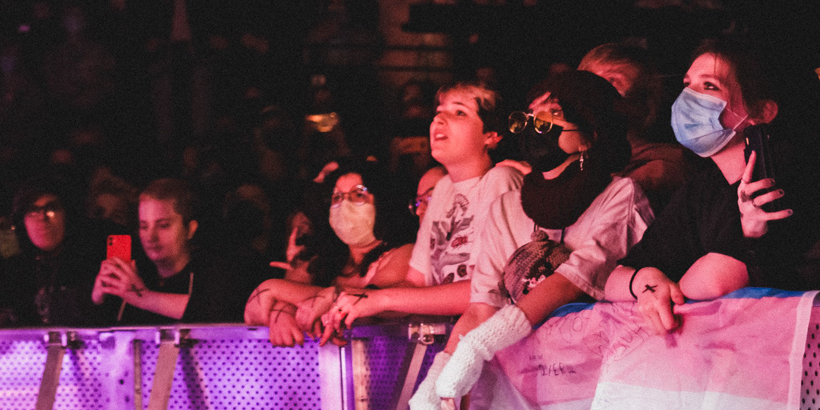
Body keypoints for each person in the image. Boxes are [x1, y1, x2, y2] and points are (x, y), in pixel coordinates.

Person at [407, 71, 650, 410]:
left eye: (553, 114)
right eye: (532, 116)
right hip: (531, 394)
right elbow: (482, 304)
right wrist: (433, 387)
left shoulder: (619, 194)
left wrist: (477, 349)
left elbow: (572, 279)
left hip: (605, 386)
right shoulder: (508, 206)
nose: (537, 126)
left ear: (589, 134)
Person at [605, 40, 820, 331]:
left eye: (709, 86)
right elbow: (613, 280)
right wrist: (647, 281)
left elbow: (717, 281)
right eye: (687, 83)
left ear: (762, 112)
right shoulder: (701, 188)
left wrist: (667, 291)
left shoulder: (786, 175)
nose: (688, 97)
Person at [319, 85, 514, 339]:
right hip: (447, 341)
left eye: (459, 113)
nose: (439, 119)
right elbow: (415, 283)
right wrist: (351, 309)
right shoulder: (443, 189)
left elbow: (487, 291)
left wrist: (381, 299)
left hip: (492, 345)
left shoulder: (500, 180)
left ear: (492, 135)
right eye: (439, 112)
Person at [245, 158, 416, 346]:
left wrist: (276, 288)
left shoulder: (402, 253)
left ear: (383, 202)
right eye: (337, 197)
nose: (344, 204)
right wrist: (283, 311)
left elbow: (369, 308)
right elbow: (254, 311)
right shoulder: (324, 258)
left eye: (358, 195)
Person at [93, 179, 255, 325]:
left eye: (163, 225)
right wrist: (97, 300)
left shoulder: (216, 270)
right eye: (144, 226)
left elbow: (221, 312)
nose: (150, 236)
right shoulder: (137, 272)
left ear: (190, 229)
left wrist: (144, 297)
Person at [579, 42, 690, 211]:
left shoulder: (661, 167)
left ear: (642, 105)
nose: (592, 88)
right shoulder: (582, 158)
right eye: (586, 77)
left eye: (612, 80)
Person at [0, 186, 104, 326]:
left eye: (52, 208)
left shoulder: (91, 263)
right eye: (33, 210)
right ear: (22, 220)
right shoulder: (8, 271)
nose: (42, 217)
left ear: (67, 215)